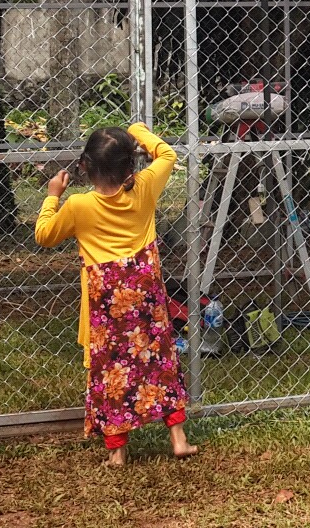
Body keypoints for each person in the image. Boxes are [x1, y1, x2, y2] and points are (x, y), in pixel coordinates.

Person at [36, 123, 199, 465]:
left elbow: (44, 235)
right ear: (131, 165)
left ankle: (117, 452)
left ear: (84, 166)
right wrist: (138, 130)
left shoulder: (79, 206)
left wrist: (53, 195)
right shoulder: (143, 188)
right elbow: (167, 154)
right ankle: (179, 439)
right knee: (160, 358)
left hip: (105, 305)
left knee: (110, 368)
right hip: (146, 297)